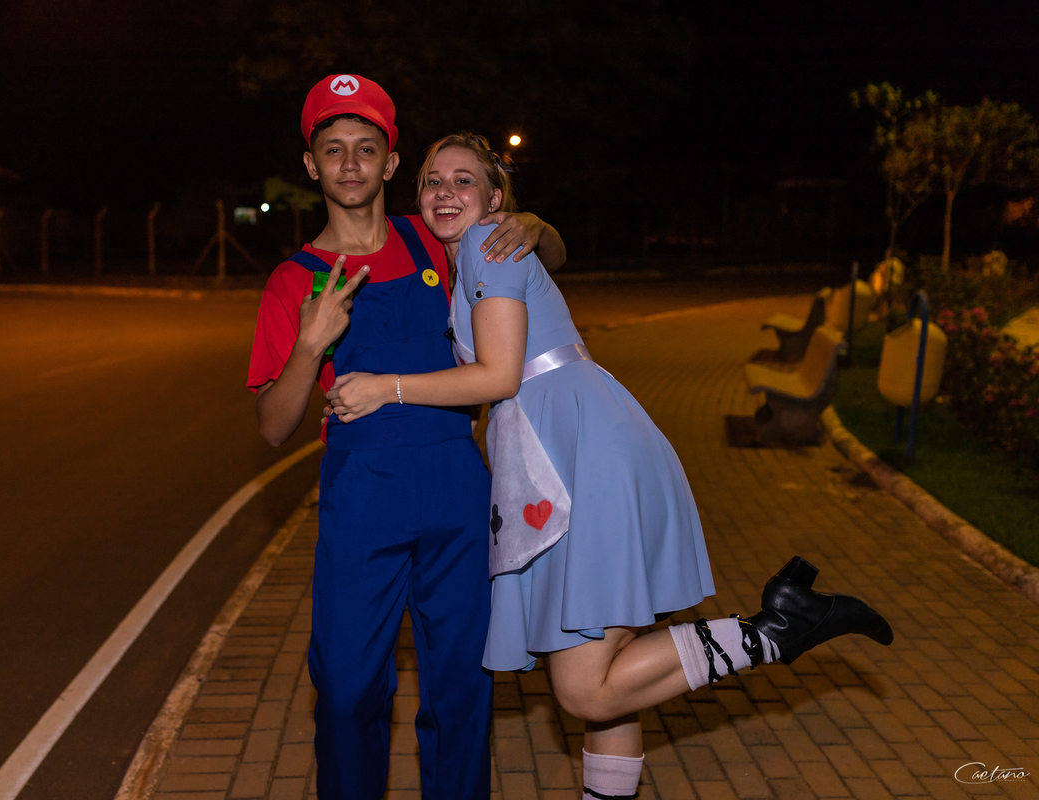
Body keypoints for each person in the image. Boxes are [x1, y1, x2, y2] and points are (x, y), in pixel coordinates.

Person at [325, 133, 895, 800]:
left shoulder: (483, 245)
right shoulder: (473, 254)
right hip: (576, 451)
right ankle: (776, 624)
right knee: (612, 682)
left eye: (464, 180)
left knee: (585, 689)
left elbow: (499, 376)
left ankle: (775, 629)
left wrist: (386, 388)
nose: (445, 192)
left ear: (495, 199)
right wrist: (539, 226)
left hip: (581, 461)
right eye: (433, 180)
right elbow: (547, 254)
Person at [247, 77, 567, 800]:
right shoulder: (293, 281)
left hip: (457, 489)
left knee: (461, 688)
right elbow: (272, 427)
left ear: (391, 163)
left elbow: (546, 260)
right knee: (347, 690)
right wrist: (309, 346)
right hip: (363, 498)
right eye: (334, 149)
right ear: (311, 165)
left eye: (366, 148)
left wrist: (535, 224)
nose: (350, 163)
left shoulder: (434, 237)